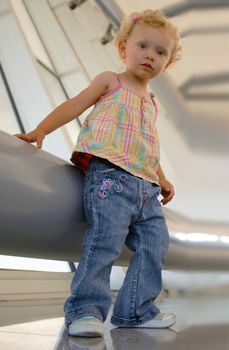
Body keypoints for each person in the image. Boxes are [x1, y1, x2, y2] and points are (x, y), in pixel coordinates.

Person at [15, 9, 181, 338]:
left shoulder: (151, 102)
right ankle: (85, 310)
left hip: (146, 189)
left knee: (156, 243)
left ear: (167, 64)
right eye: (143, 45)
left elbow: (147, 144)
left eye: (160, 52)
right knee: (104, 242)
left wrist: (160, 177)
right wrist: (40, 129)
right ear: (123, 48)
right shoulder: (111, 80)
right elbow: (75, 104)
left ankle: (136, 309)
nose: (150, 55)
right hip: (110, 178)